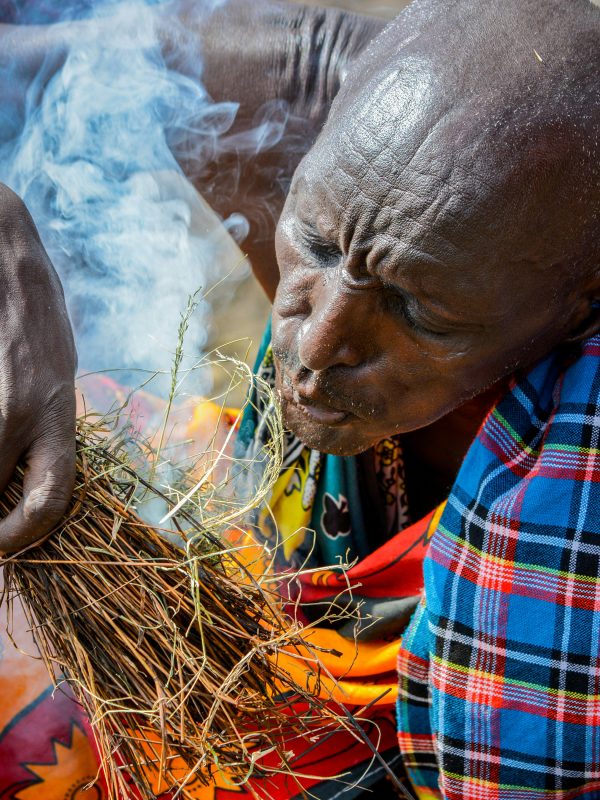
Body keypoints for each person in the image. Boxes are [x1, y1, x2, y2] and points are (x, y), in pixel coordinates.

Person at [0, 0, 598, 797]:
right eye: (312, 244)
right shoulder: (305, 94)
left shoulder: (569, 518)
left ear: (577, 303)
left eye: (418, 312)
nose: (313, 354)